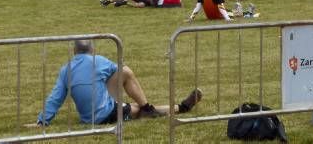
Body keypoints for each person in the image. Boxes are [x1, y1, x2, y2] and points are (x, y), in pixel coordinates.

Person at [34, 40, 201, 127]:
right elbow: (121, 71)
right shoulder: (98, 60)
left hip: (89, 115)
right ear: (92, 50)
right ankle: (179, 108)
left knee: (131, 95)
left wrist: (42, 121)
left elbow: (55, 98)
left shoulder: (66, 69)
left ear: (74, 51)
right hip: (103, 114)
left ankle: (148, 108)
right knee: (137, 105)